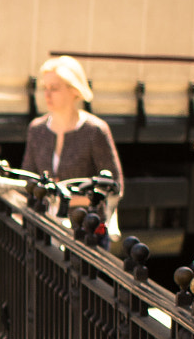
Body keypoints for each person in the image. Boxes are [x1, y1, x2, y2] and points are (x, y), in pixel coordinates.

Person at [21, 54, 122, 217]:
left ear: (74, 90)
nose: (47, 94)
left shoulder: (95, 130)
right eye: (45, 88)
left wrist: (66, 200)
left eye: (54, 88)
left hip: (85, 228)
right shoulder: (37, 129)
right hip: (45, 229)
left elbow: (114, 186)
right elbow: (26, 182)